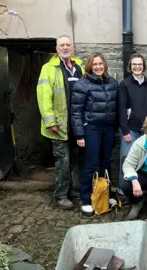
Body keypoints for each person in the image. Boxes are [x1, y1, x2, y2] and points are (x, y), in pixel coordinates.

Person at [36, 35, 84, 210]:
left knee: (74, 161)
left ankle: (72, 189)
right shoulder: (48, 68)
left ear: (73, 47)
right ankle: (61, 195)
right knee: (63, 162)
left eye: (67, 45)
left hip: (77, 126)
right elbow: (43, 97)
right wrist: (50, 122)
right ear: (56, 49)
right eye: (61, 45)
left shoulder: (79, 67)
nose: (65, 48)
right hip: (58, 127)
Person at [71, 52, 118, 216]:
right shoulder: (82, 85)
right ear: (90, 67)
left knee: (106, 162)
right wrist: (79, 135)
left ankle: (108, 193)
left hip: (109, 128)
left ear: (104, 65)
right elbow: (76, 112)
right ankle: (85, 199)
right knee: (90, 164)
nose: (98, 67)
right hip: (91, 129)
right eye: (95, 64)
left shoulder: (112, 83)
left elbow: (116, 106)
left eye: (100, 64)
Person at [117, 54, 147, 197]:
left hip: (146, 131)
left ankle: (139, 188)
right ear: (130, 66)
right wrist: (125, 130)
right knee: (127, 158)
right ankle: (123, 190)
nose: (137, 67)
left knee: (144, 159)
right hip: (131, 130)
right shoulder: (125, 84)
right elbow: (121, 109)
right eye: (134, 64)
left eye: (139, 64)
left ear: (144, 66)